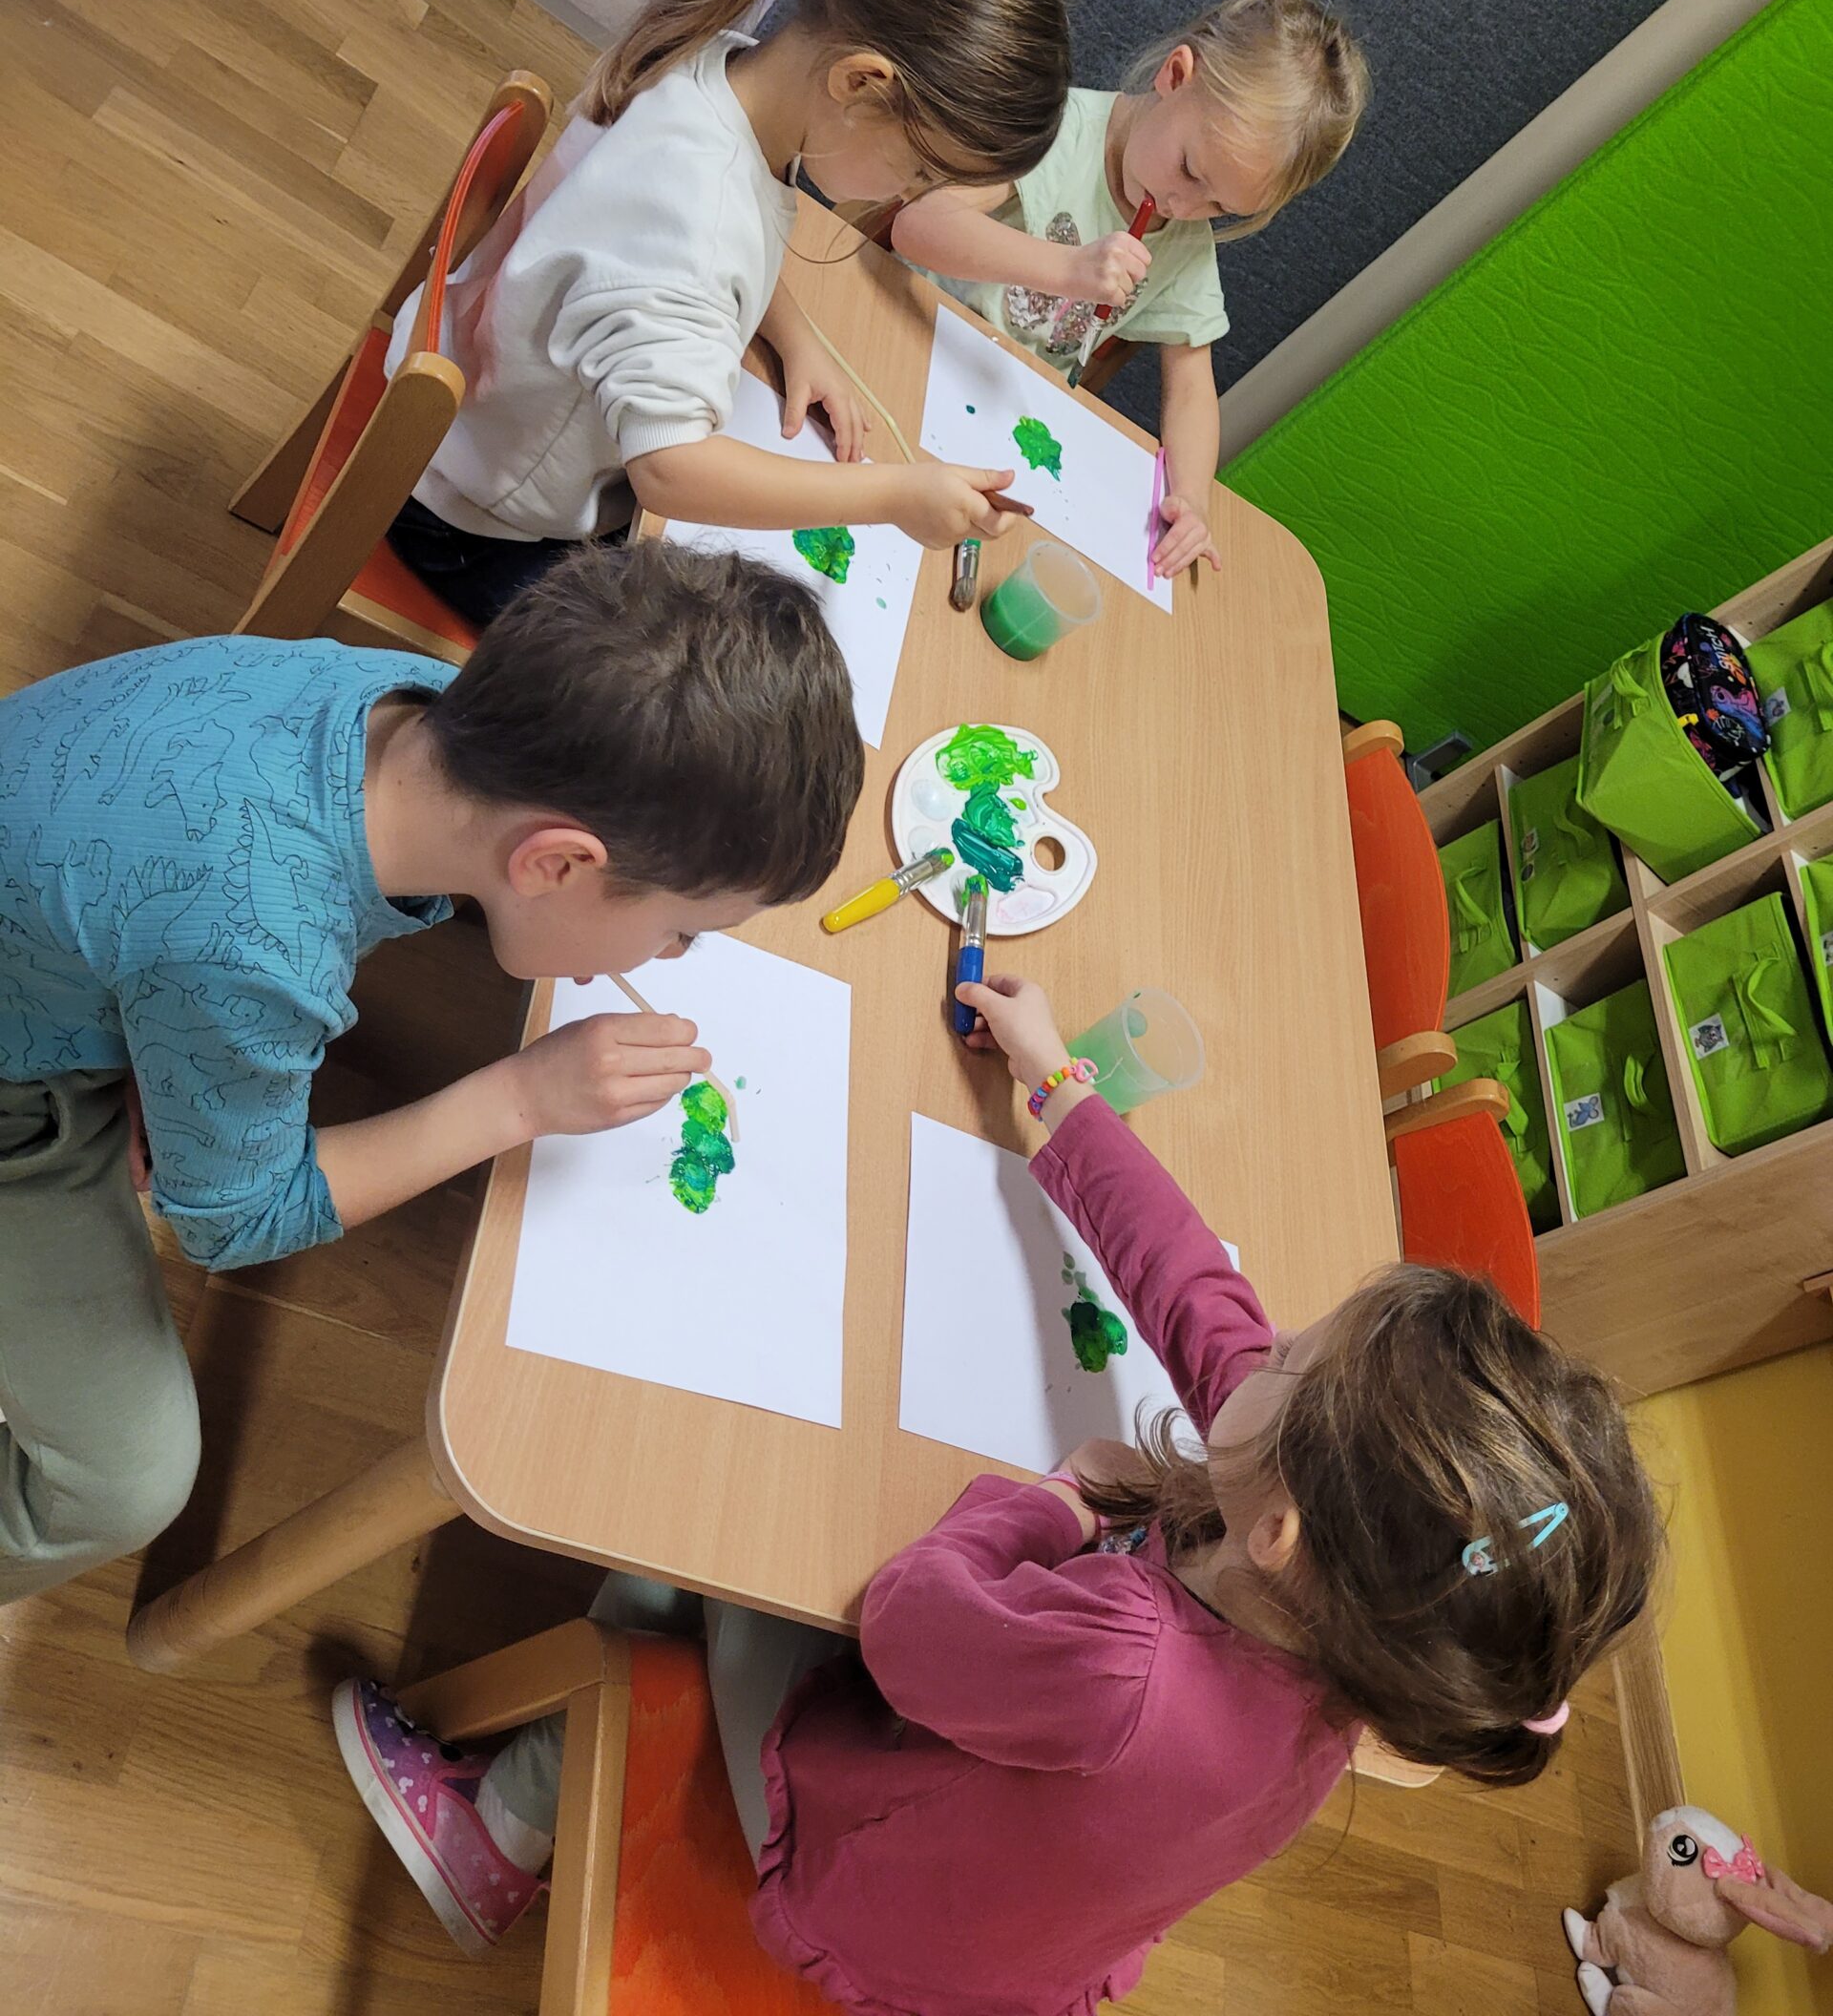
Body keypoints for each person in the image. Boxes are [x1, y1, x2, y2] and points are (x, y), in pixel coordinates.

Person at [335, 971, 1661, 2012]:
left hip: (860, 1894)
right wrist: (1061, 1090)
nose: (1268, 1341)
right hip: (1020, 1933)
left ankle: (499, 1829)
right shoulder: (1351, 1631)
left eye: (1294, 1358)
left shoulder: (1128, 1670)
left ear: (1279, 1528)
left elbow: (908, 1624)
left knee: (714, 1530)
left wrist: (1059, 1506)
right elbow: (1200, 1300)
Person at [0, 541, 861, 1605]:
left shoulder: (421, 704)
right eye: (682, 931)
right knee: (126, 1483)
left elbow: (185, 909)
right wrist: (520, 1096)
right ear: (556, 862)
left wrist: (177, 1031)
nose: (673, 958)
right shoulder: (253, 943)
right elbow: (231, 1223)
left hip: (78, 926)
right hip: (24, 1092)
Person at [384, 0, 1076, 625]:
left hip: (475, 412)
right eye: (920, 169)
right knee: (687, 685)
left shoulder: (733, 70)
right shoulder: (693, 211)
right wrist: (893, 495)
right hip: (476, 520)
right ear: (859, 84)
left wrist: (795, 336)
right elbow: (671, 470)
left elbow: (718, 236)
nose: (907, 196)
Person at [892, 0, 1369, 578]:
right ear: (1176, 75)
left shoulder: (1184, 245)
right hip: (905, 349)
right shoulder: (1058, 132)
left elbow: (1191, 390)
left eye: (1219, 206)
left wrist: (1191, 498)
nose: (1181, 205)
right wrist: (1066, 269)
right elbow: (919, 226)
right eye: (1190, 169)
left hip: (997, 424)